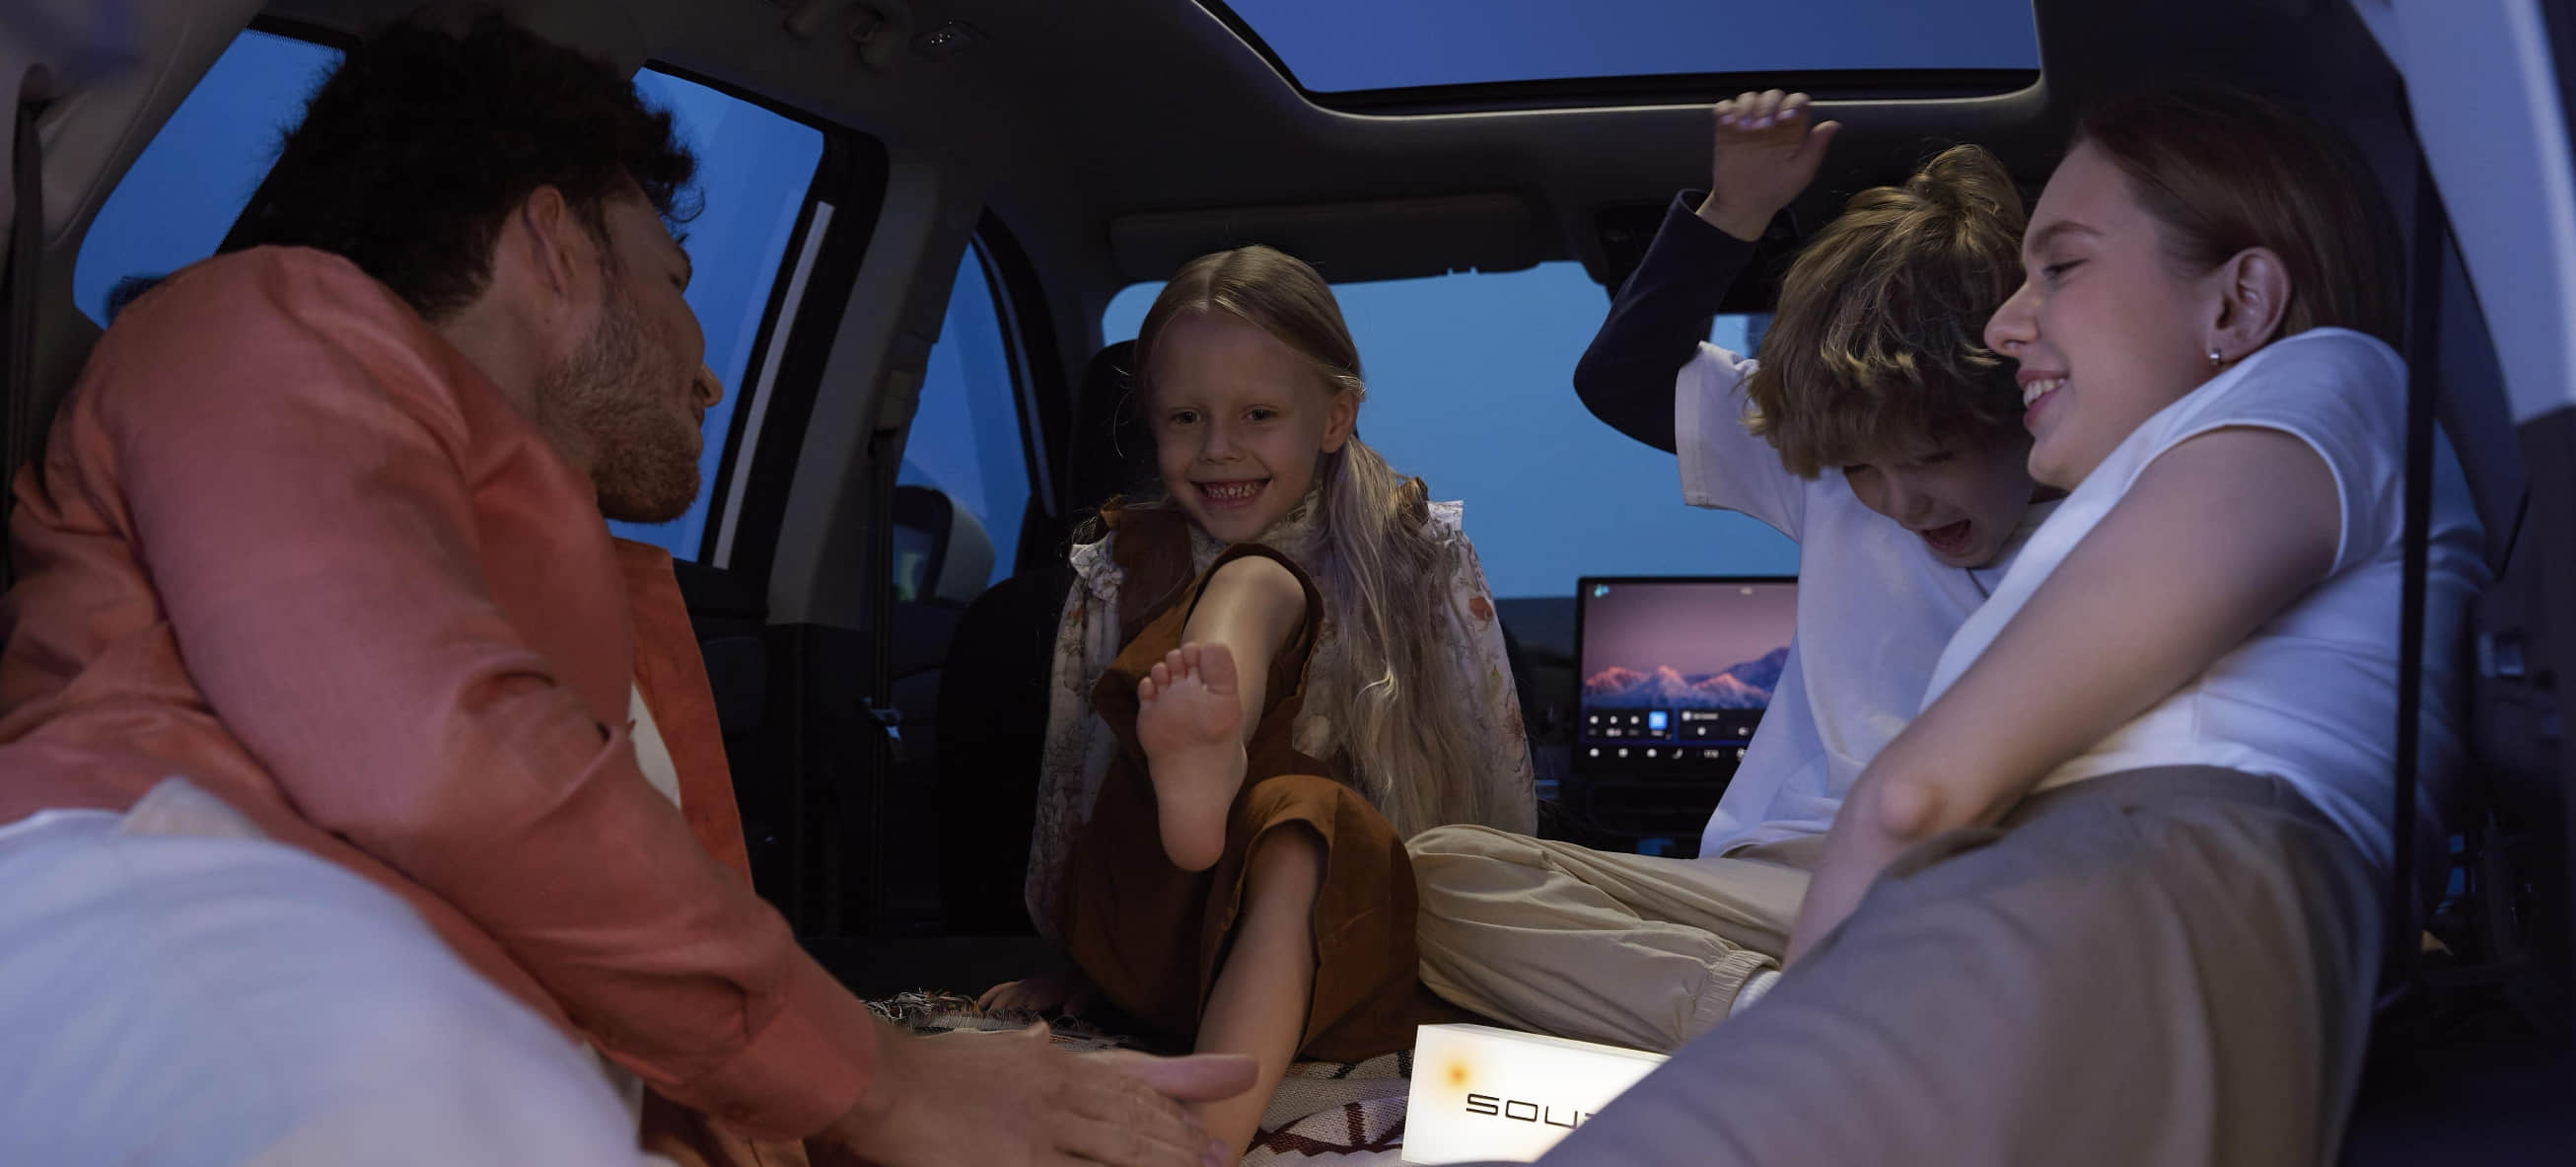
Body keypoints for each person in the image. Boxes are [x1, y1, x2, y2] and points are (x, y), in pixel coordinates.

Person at [0, 13, 1250, 1167]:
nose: (708, 375)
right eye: (676, 283)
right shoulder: (259, 324)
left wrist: (936, 1089)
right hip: (195, 940)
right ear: (552, 247)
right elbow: (432, 753)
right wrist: (889, 1082)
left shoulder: (561, 575)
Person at [1539, 87, 2484, 1167]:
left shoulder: (2313, 391)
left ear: (2238, 302)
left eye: (2061, 267)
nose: (2006, 324)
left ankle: (1746, 1019)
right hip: (2038, 889)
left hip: (2098, 879)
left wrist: (1808, 1025)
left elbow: (1911, 799)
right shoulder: (2167, 480)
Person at [1408, 90, 2057, 1053]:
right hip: (1772, 891)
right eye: (1862, 468)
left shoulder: (2115, 530)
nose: (1897, 501)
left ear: (2026, 400)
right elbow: (1623, 378)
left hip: (1962, 895)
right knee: (1432, 876)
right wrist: (1734, 211)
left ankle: (1798, 1029)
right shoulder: (1826, 473)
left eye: (1931, 458)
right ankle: (1778, 1024)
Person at [983, 244, 1538, 1161]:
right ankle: (1209, 761)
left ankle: (1202, 1137)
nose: (1218, 448)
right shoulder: (1118, 569)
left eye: (1259, 415)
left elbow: (1489, 794)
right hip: (1173, 938)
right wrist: (1084, 957)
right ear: (1151, 421)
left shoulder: (1417, 558)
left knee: (1302, 818)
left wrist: (1496, 968)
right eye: (1185, 418)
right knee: (1251, 606)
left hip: (1353, 948)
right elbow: (1076, 793)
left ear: (1335, 416)